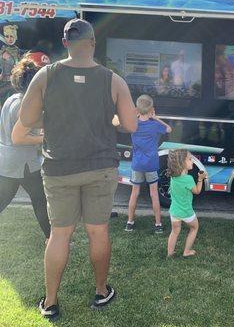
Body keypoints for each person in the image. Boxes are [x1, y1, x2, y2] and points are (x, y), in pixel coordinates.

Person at [19, 18, 137, 320]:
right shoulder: (113, 80)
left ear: (65, 43)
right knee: (98, 232)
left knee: (59, 235)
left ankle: (50, 302)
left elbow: (28, 118)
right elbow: (131, 124)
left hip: (60, 168)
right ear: (93, 43)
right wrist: (107, 120)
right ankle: (100, 291)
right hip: (101, 168)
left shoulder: (46, 75)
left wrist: (57, 118)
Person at [0, 57, 50, 241]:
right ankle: (51, 238)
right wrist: (45, 138)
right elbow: (19, 137)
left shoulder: (11, 99)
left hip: (7, 160)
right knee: (40, 201)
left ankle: (50, 237)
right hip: (23, 164)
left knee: (4, 200)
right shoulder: (25, 104)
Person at [125, 95, 172, 233]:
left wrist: (136, 113)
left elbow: (127, 121)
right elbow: (169, 129)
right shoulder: (155, 125)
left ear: (137, 109)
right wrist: (155, 117)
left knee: (134, 193)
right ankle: (158, 225)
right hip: (151, 164)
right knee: (154, 194)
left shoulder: (133, 124)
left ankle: (130, 222)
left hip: (137, 164)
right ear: (151, 109)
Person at [166, 149, 207, 258]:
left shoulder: (173, 177)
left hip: (174, 211)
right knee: (194, 228)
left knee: (174, 232)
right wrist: (200, 179)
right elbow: (197, 191)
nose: (193, 161)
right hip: (186, 212)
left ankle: (170, 253)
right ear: (182, 163)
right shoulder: (188, 179)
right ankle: (186, 252)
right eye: (190, 159)